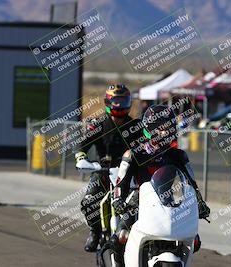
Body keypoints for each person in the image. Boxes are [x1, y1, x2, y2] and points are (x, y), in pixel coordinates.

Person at [104, 105, 210, 262]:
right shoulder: (133, 154)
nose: (164, 132)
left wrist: (199, 202)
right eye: (160, 128)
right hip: (138, 202)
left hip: (173, 202)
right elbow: (121, 182)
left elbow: (192, 183)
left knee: (194, 240)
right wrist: (118, 199)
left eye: (168, 127)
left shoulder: (179, 156)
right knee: (119, 238)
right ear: (149, 128)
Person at [75, 84, 140, 252]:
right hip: (103, 172)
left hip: (128, 174)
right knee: (89, 201)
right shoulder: (98, 124)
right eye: (116, 101)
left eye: (123, 101)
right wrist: (82, 158)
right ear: (108, 101)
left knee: (141, 200)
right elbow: (82, 146)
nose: (119, 105)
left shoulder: (135, 126)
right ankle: (95, 232)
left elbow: (146, 146)